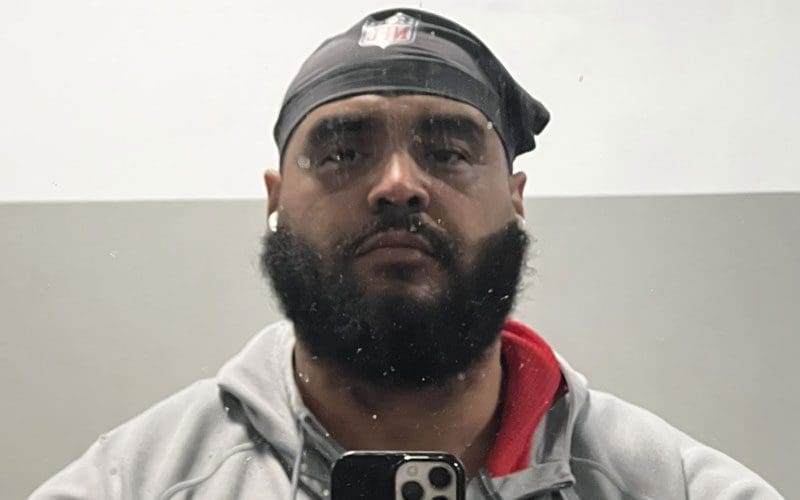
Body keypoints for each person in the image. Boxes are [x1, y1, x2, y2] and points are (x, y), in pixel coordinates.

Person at [31, 8, 782, 500]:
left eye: (448, 150)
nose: (397, 184)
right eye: (342, 152)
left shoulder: (679, 486)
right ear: (274, 199)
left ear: (515, 195)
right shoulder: (126, 484)